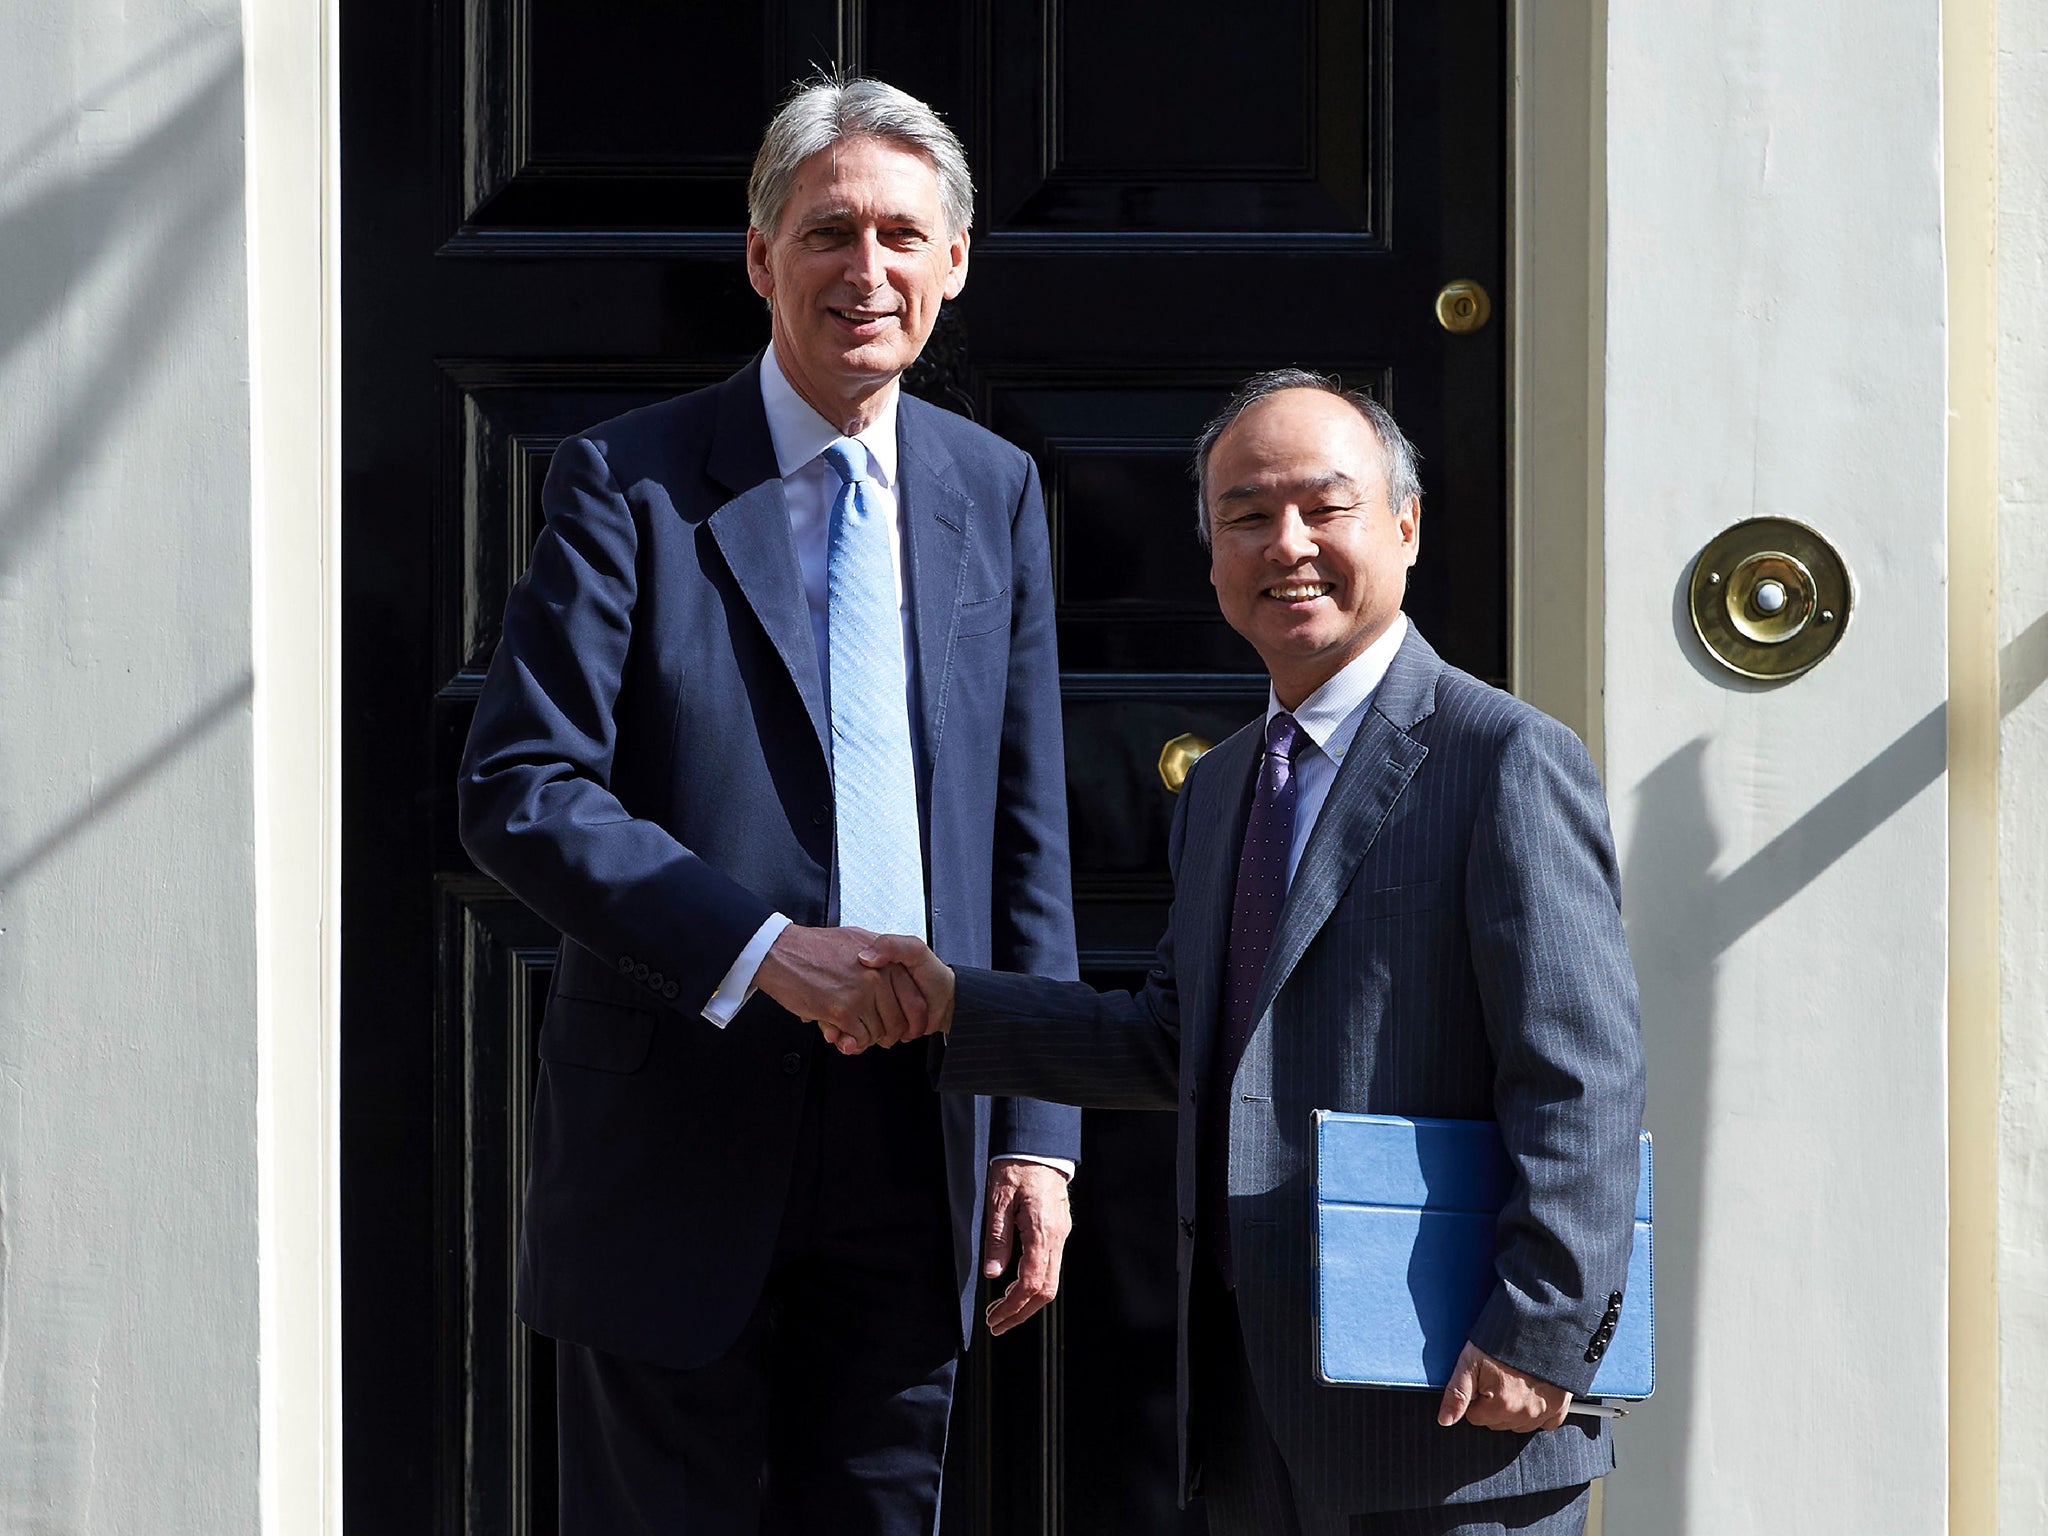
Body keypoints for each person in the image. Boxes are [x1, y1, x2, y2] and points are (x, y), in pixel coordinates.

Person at [853, 372, 1646, 1536]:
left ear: (1405, 525)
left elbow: (1580, 1074)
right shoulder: (1225, 784)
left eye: (1325, 508)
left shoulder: (1503, 759)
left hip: (1457, 1408)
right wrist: (948, 1007)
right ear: (1210, 555)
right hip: (1252, 1416)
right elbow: (1175, 1040)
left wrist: (1538, 1331)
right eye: (1245, 516)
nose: (1288, 546)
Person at [456, 76, 1081, 1536]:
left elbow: (1025, 830)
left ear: (956, 263)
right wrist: (758, 949)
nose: (867, 271)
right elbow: (519, 785)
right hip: (681, 1125)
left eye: (902, 238)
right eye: (829, 233)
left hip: (920, 1131)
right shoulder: (628, 482)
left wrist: (1039, 1131)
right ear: (761, 258)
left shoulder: (995, 490)